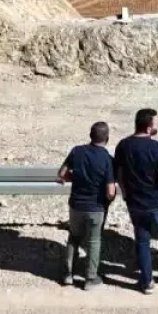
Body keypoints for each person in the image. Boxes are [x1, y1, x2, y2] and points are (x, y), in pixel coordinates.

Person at [115, 108, 158, 294]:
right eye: (156, 123)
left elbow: (119, 173)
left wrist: (126, 194)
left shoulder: (123, 145)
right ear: (148, 128)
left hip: (136, 203)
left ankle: (146, 282)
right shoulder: (156, 148)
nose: (157, 126)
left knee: (142, 241)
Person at [58, 121, 116, 290]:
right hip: (96, 207)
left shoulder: (77, 151)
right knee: (94, 241)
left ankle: (68, 275)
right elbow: (111, 190)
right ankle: (90, 278)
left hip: (76, 204)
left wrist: (75, 178)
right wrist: (108, 201)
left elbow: (62, 174)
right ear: (107, 138)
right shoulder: (107, 159)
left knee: (74, 237)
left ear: (90, 135)